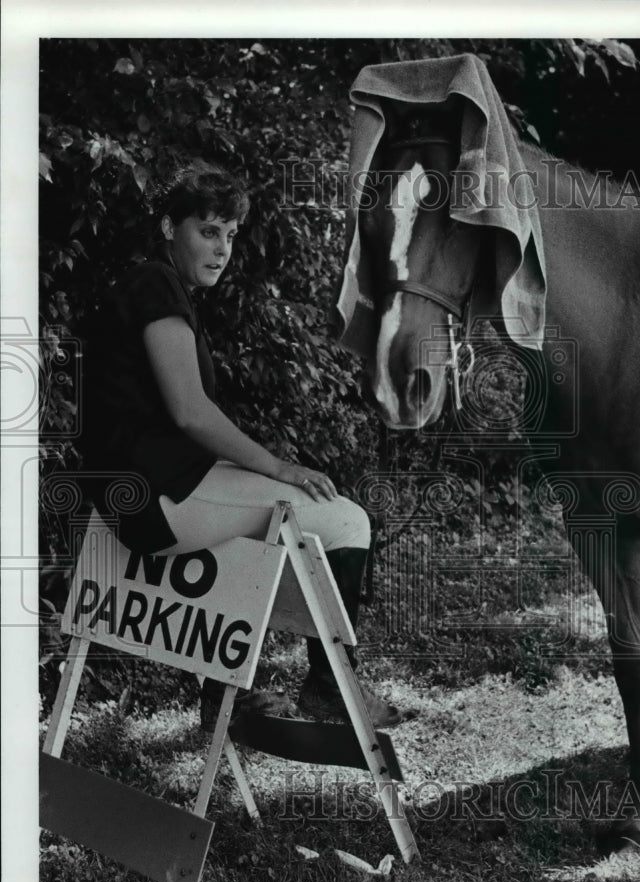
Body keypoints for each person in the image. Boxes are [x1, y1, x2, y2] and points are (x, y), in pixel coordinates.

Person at [79, 161, 402, 729]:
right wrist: (277, 464)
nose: (223, 248)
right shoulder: (155, 284)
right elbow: (189, 411)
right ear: (166, 227)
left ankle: (222, 693)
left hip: (145, 491)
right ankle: (330, 689)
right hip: (155, 500)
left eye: (230, 235)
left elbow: (166, 420)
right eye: (207, 231)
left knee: (258, 522)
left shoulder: (158, 288)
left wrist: (266, 471)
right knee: (349, 523)